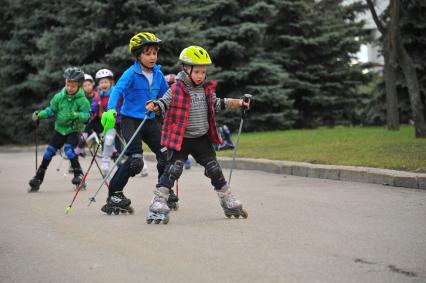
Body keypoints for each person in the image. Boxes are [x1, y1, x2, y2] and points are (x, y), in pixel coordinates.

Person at [145, 46, 250, 224]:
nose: (201, 75)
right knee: (173, 169)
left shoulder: (206, 89)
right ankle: (158, 201)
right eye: (197, 71)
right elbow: (164, 103)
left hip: (202, 138)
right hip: (181, 139)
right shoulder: (176, 89)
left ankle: (227, 199)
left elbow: (217, 103)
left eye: (203, 71)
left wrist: (239, 102)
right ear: (186, 69)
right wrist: (155, 106)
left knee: (214, 169)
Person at [99, 32, 169, 215]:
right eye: (148, 53)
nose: (152, 57)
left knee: (166, 155)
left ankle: (163, 192)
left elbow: (168, 95)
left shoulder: (158, 73)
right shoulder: (131, 73)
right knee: (135, 162)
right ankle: (114, 194)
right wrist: (111, 109)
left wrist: (173, 110)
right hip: (130, 120)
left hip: (150, 120)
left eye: (155, 53)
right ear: (138, 55)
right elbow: (117, 90)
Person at [28, 67, 90, 192]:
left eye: (73, 86)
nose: (69, 88)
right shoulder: (59, 97)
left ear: (79, 85)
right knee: (48, 152)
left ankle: (79, 175)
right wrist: (40, 114)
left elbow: (86, 116)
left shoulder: (82, 100)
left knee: (69, 150)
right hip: (60, 130)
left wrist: (76, 115)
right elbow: (51, 110)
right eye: (68, 84)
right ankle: (38, 178)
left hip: (73, 130)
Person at [95, 68, 122, 175]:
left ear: (111, 82)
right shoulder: (99, 95)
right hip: (109, 122)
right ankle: (105, 162)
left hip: (121, 120)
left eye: (106, 81)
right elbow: (94, 105)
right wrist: (91, 111)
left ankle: (140, 162)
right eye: (101, 82)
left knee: (124, 142)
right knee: (108, 140)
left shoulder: (116, 92)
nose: (104, 84)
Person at [165, 74, 192, 170]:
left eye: (172, 83)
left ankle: (185, 160)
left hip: (180, 123)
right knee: (171, 143)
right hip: (169, 123)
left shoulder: (180, 93)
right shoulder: (168, 93)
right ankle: (172, 162)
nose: (170, 86)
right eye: (168, 84)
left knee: (182, 143)